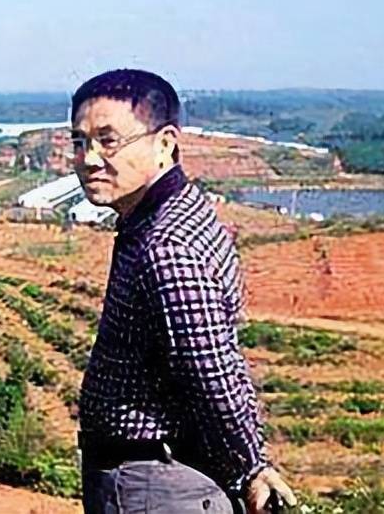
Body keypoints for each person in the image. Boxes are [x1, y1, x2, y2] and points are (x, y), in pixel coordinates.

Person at [70, 69, 297, 514]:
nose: (89, 159)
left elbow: (212, 372)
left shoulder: (167, 247)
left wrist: (250, 468)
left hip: (153, 485)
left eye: (108, 141)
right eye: (80, 142)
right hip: (154, 476)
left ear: (165, 143)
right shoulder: (172, 214)